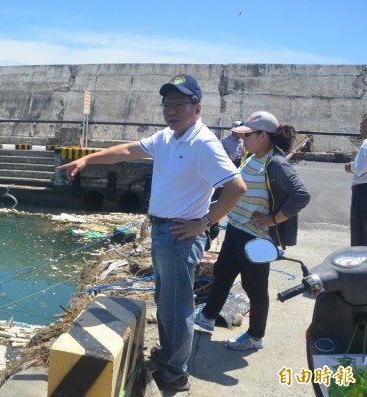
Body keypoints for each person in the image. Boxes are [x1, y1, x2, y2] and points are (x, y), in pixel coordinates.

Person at [57, 74, 246, 391]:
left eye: (180, 104)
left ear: (196, 109)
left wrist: (206, 222)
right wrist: (87, 158)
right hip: (161, 230)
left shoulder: (203, 144)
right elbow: (128, 150)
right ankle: (169, 355)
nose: (172, 111)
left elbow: (236, 187)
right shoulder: (168, 137)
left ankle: (175, 372)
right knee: (166, 300)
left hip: (180, 235)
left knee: (177, 306)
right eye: (167, 105)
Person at [195, 111, 311, 351]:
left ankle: (255, 337)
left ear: (264, 136)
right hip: (236, 229)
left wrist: (274, 219)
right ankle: (207, 317)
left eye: (247, 135)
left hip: (256, 238)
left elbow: (302, 195)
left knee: (255, 288)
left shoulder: (276, 163)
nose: (243, 139)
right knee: (223, 274)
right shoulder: (250, 157)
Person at [344, 113, 367, 246]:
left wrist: (349, 166)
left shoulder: (366, 143)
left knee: (360, 237)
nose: (360, 129)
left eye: (362, 125)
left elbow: (359, 168)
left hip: (363, 194)